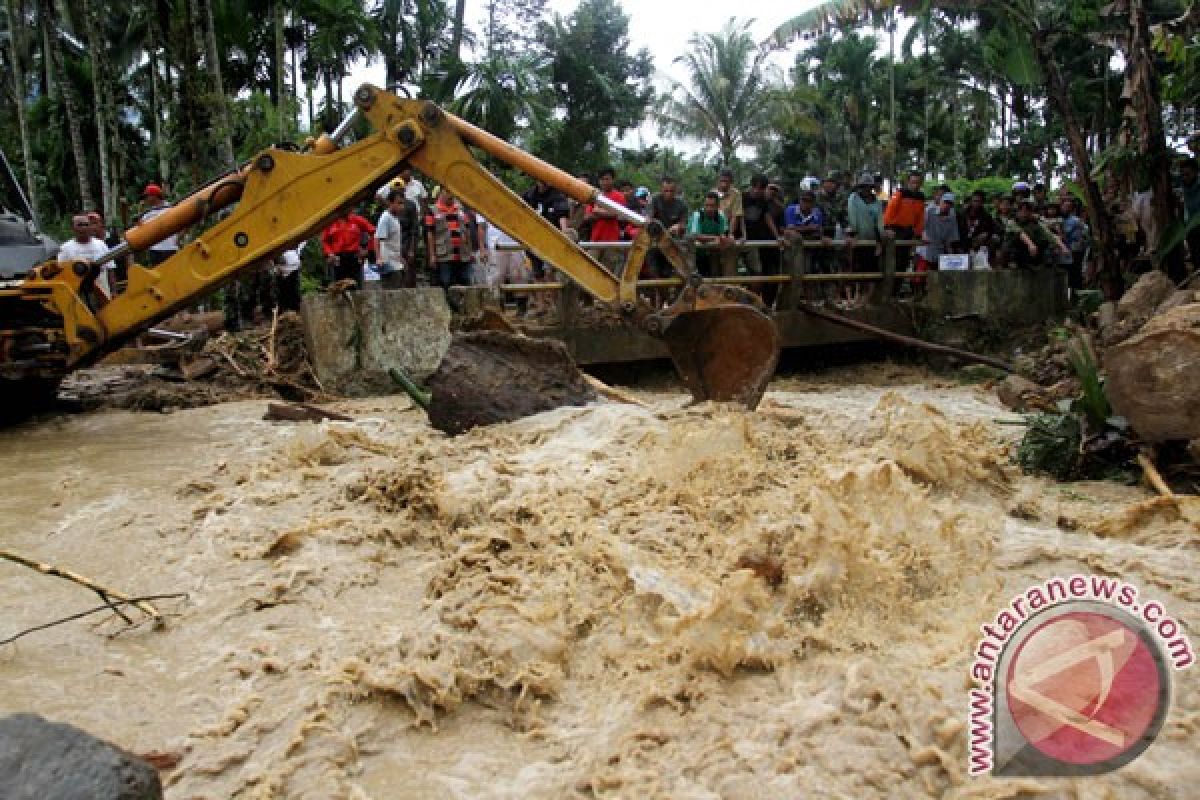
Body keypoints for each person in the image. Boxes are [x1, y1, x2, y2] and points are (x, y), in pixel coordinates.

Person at [424, 186, 478, 301]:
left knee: (465, 280)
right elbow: (430, 234)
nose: (450, 195)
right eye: (447, 192)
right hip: (444, 254)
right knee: (446, 281)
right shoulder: (432, 210)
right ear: (441, 193)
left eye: (452, 192)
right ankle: (449, 308)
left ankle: (464, 308)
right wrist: (432, 255)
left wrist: (471, 251)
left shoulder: (461, 210)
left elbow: (468, 231)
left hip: (463, 254)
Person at [743, 174, 783, 306]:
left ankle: (754, 303)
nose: (756, 190)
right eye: (754, 187)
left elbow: (767, 217)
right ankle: (748, 302)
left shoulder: (766, 202)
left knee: (759, 272)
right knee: (750, 272)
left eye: (760, 188)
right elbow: (738, 216)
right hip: (743, 239)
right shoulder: (743, 197)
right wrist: (741, 235)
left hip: (758, 240)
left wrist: (777, 236)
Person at [999, 199, 1067, 270]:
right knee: (1014, 239)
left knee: (1045, 240)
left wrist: (1062, 247)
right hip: (1012, 252)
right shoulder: (1011, 221)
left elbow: (1049, 234)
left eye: (1027, 209)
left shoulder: (1035, 223)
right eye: (1021, 209)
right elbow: (1020, 233)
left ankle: (1036, 262)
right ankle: (1012, 262)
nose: (1024, 212)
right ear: (1018, 211)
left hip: (1027, 252)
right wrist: (1031, 244)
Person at [584, 167, 628, 275]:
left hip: (612, 241)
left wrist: (598, 211)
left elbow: (618, 214)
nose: (605, 182)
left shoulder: (619, 196)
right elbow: (587, 216)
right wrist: (606, 213)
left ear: (613, 180)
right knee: (589, 269)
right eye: (602, 179)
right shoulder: (594, 195)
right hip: (595, 240)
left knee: (608, 273)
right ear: (599, 181)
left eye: (607, 179)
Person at [58, 213, 112, 301]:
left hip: (103, 295)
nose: (83, 227)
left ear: (90, 227)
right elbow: (61, 274)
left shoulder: (101, 245)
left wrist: (113, 292)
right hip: (77, 297)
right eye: (80, 225)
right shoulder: (65, 248)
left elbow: (110, 269)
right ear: (73, 228)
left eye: (86, 224)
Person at [646, 177, 688, 288]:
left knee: (669, 275)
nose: (668, 193)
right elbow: (648, 219)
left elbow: (684, 224)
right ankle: (656, 301)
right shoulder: (654, 200)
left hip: (671, 245)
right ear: (661, 190)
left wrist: (679, 226)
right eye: (666, 191)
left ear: (675, 191)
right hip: (654, 245)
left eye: (671, 191)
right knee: (654, 274)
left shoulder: (681, 204)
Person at [883, 170, 926, 272]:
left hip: (909, 232)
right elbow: (890, 211)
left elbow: (920, 217)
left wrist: (918, 233)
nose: (915, 185)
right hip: (896, 231)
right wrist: (887, 227)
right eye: (913, 182)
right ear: (908, 182)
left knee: (904, 261)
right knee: (894, 260)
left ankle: (898, 285)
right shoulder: (900, 194)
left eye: (917, 183)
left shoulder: (920, 197)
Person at [321, 208, 375, 289]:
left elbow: (374, 232)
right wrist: (330, 253)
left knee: (356, 288)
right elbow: (325, 241)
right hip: (337, 260)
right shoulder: (330, 222)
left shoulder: (357, 220)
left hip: (354, 258)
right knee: (338, 290)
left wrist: (367, 250)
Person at [375, 189, 414, 289]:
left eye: (403, 203)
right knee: (391, 292)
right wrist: (379, 258)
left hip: (396, 262)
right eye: (399, 203)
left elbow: (393, 243)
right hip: (388, 264)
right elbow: (377, 239)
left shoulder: (395, 217)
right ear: (390, 203)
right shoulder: (385, 218)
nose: (402, 207)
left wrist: (400, 259)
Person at [687, 191, 730, 278]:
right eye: (707, 205)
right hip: (693, 253)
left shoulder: (720, 217)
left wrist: (724, 238)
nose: (709, 208)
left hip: (711, 252)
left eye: (712, 206)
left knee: (714, 275)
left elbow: (723, 235)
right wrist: (715, 238)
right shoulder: (697, 215)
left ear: (717, 206)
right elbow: (695, 236)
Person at [138, 183, 180, 266]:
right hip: (155, 250)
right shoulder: (148, 213)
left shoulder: (170, 208)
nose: (145, 199)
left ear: (154, 196)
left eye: (147, 196)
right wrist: (140, 210)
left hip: (170, 249)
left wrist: (178, 238)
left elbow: (183, 222)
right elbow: (140, 228)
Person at [714, 168, 744, 278]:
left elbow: (735, 216)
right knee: (714, 268)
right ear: (718, 181)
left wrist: (730, 234)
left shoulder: (736, 194)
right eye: (722, 181)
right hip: (714, 233)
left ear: (731, 182)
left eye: (727, 181)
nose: (724, 184)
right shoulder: (712, 194)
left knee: (730, 269)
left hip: (730, 233)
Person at [923, 191, 961, 267]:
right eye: (945, 202)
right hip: (926, 249)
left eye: (949, 203)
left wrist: (950, 255)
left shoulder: (952, 216)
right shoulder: (929, 211)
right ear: (940, 201)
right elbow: (921, 226)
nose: (946, 205)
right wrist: (923, 234)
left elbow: (951, 236)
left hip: (941, 251)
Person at [1059, 196, 1089, 289]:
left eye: (1068, 207)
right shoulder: (1059, 219)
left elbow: (1085, 231)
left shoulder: (1076, 220)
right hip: (1062, 251)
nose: (1066, 208)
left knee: (1075, 274)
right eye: (1064, 206)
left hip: (1075, 250)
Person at [957, 190, 997, 259]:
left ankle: (990, 262)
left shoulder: (986, 216)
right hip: (963, 241)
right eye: (974, 201)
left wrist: (986, 234)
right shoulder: (962, 214)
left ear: (982, 202)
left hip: (978, 242)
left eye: (979, 201)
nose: (976, 203)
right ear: (971, 201)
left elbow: (993, 229)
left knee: (994, 238)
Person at [1181, 158, 1200, 271]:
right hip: (1191, 229)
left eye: (1187, 174)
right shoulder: (1184, 187)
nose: (1185, 178)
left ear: (1196, 172)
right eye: (1183, 175)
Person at [275, 247, 302, 312]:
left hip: (292, 266)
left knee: (293, 290)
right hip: (282, 267)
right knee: (282, 291)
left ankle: (295, 310)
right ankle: (284, 311)